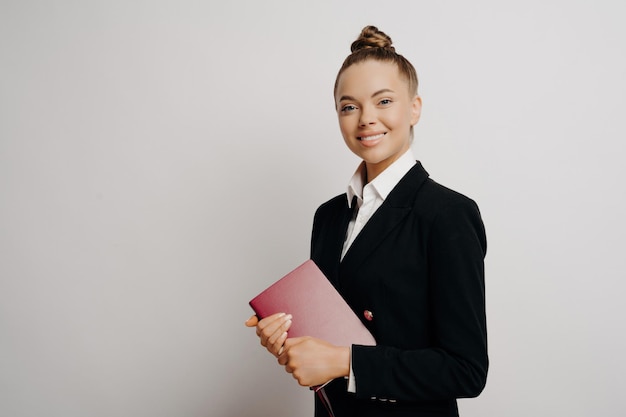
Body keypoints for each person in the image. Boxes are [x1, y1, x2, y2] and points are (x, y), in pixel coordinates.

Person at [246, 25, 488, 417]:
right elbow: (331, 335)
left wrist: (346, 362)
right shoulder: (328, 216)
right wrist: (290, 340)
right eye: (349, 106)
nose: (365, 119)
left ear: (415, 108)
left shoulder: (448, 214)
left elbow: (467, 370)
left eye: (384, 101)